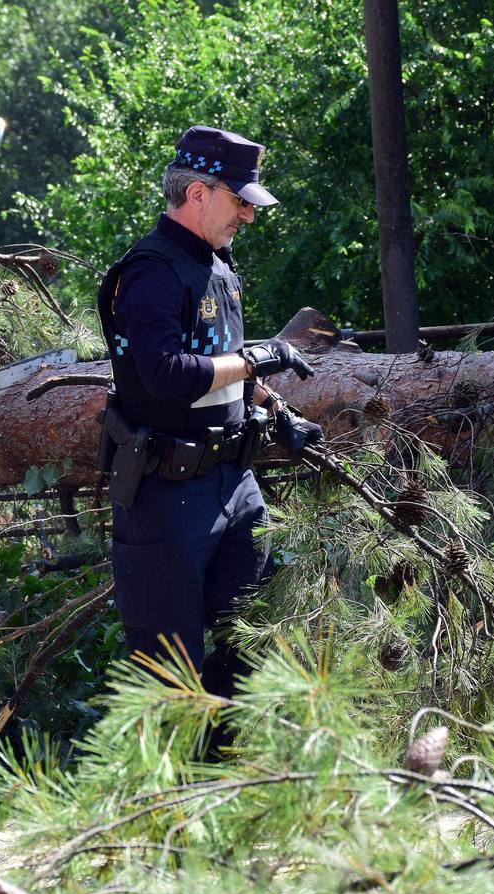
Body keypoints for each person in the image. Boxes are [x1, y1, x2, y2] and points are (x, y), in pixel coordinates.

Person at [96, 126, 324, 696]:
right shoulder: (150, 272)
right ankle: (176, 784)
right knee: (171, 676)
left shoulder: (219, 268)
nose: (247, 215)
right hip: (166, 497)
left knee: (249, 648)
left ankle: (236, 778)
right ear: (198, 194)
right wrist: (255, 362)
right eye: (239, 200)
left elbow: (223, 368)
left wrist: (278, 409)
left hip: (234, 485)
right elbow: (167, 375)